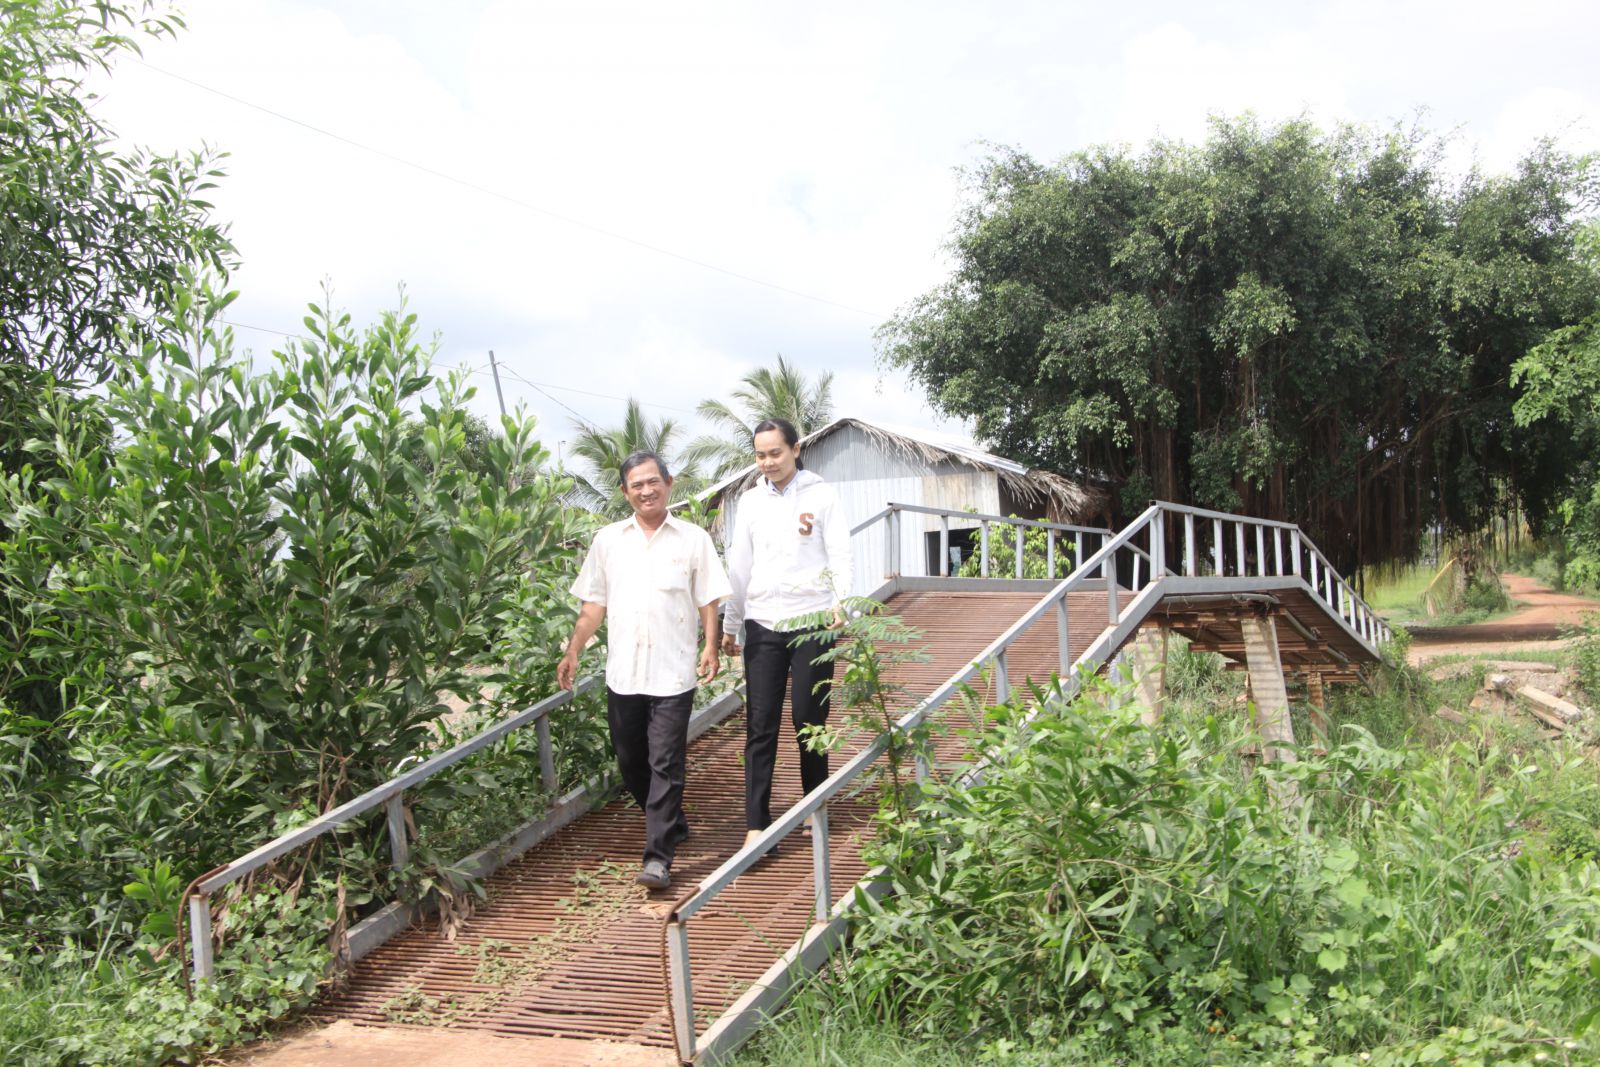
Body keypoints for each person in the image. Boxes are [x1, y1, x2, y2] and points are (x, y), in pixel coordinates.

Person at [557, 450, 730, 891]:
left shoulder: (693, 539)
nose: (646, 491)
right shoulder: (607, 541)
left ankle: (658, 858)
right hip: (624, 674)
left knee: (665, 762)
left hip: (673, 673)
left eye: (654, 481)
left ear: (669, 483)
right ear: (624, 491)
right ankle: (673, 822)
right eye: (637, 485)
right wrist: (573, 649)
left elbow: (707, 599)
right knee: (631, 762)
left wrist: (710, 645)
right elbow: (593, 604)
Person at [720, 418, 852, 851]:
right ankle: (756, 824)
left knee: (808, 718)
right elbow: (739, 567)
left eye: (775, 452)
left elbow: (840, 553)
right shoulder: (750, 502)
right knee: (761, 725)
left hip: (813, 621)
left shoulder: (821, 494)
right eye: (760, 455)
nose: (768, 462)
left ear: (795, 449)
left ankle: (815, 806)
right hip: (763, 623)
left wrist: (841, 601)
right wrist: (732, 624)